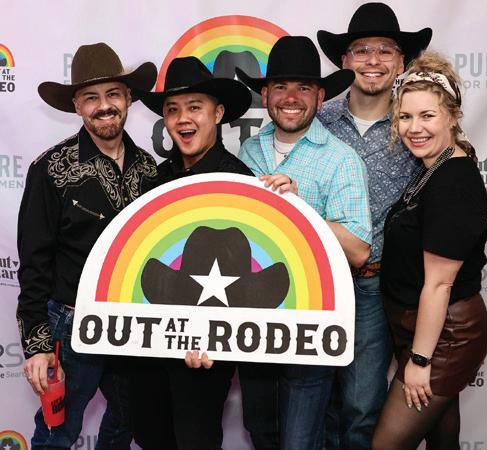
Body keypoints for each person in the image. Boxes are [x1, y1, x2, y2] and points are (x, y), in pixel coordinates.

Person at [17, 42, 158, 449]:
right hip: (71, 322)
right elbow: (34, 263)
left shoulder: (149, 169)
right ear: (77, 106)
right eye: (91, 98)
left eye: (113, 94)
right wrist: (38, 345)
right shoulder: (51, 169)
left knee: (128, 420)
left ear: (128, 99)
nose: (104, 106)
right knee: (58, 432)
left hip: (132, 325)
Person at [237, 35, 372, 450]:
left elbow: (359, 251)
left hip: (311, 323)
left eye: (304, 87)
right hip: (253, 323)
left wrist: (301, 211)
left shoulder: (341, 159)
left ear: (320, 96)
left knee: (299, 441)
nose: (291, 98)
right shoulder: (248, 150)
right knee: (260, 431)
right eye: (280, 86)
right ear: (265, 95)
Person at [316, 2, 432, 449]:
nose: (373, 60)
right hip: (317, 280)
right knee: (314, 401)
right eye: (362, 50)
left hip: (373, 284)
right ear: (344, 60)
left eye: (385, 50)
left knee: (361, 408)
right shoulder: (319, 120)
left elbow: (451, 170)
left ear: (402, 62)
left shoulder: (415, 124)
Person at [132, 55, 254, 450]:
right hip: (152, 344)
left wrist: (212, 336)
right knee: (152, 436)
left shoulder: (240, 183)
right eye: (172, 110)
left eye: (195, 107)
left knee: (195, 440)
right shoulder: (155, 181)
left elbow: (250, 273)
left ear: (217, 114)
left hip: (205, 351)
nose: (183, 118)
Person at [372, 51, 487, 450]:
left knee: (386, 445)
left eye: (427, 116)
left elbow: (439, 285)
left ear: (452, 117)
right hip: (423, 328)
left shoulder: (452, 182)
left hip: (446, 338)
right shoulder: (436, 166)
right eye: (405, 117)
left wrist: (420, 361)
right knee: (443, 437)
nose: (414, 128)